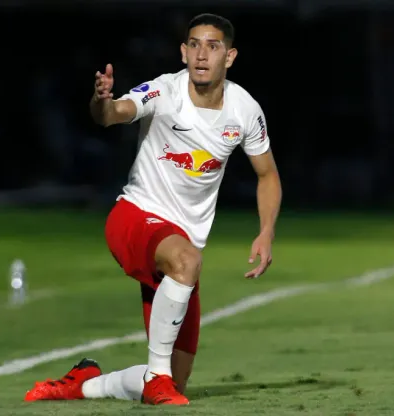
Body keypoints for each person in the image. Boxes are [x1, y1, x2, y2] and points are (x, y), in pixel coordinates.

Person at [23, 13, 282, 406]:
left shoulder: (244, 110)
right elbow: (115, 114)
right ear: (182, 52)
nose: (201, 54)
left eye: (212, 46)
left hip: (181, 243)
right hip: (135, 217)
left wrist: (266, 231)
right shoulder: (165, 91)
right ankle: (156, 375)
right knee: (186, 261)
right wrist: (102, 101)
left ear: (229, 57)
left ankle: (86, 383)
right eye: (194, 44)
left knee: (174, 382)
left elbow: (267, 175)